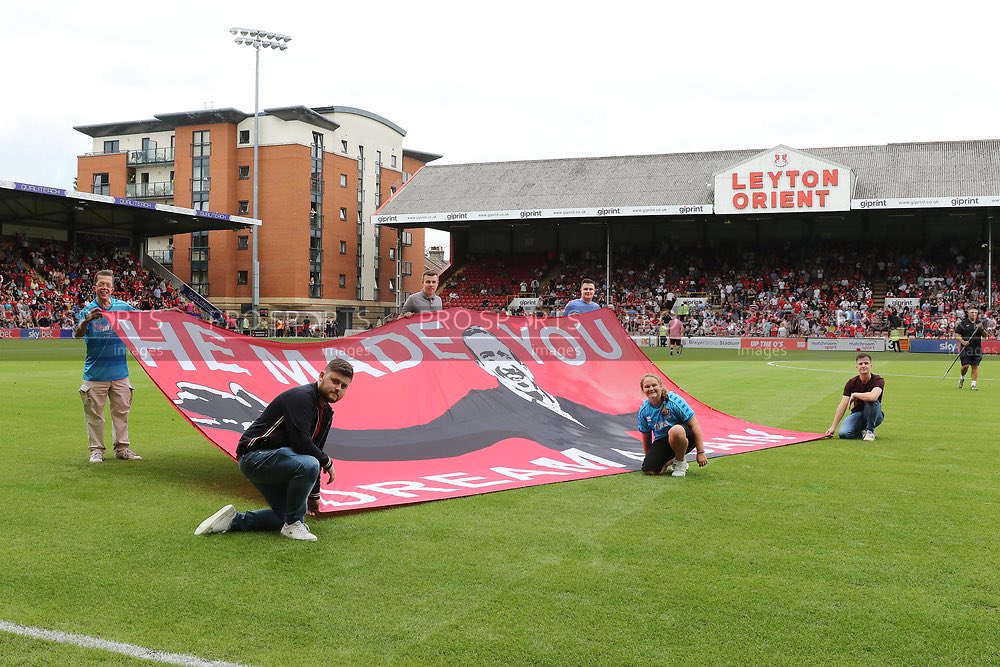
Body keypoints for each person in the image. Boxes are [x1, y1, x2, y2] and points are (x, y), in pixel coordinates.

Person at [194, 359, 354, 542]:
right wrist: (328, 462)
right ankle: (293, 525)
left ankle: (233, 520)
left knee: (284, 516)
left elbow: (315, 448)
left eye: (344, 386)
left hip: (279, 461)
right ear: (321, 376)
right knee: (310, 464)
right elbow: (301, 443)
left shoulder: (326, 413)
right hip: (255, 457)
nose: (338, 388)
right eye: (335, 381)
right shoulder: (302, 397)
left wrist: (314, 494)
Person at [74, 270, 142, 464]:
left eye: (108, 285)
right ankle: (96, 451)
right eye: (101, 284)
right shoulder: (87, 310)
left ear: (112, 288)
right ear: (95, 287)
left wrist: (170, 314)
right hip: (95, 374)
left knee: (121, 413)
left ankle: (122, 448)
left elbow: (145, 318)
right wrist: (87, 320)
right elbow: (77, 335)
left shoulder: (122, 307)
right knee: (94, 415)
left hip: (120, 373)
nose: (105, 287)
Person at [636, 373, 707, 477]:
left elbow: (695, 424)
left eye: (654, 385)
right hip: (664, 441)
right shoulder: (644, 410)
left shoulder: (674, 400)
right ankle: (671, 459)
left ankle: (680, 462)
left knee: (675, 430)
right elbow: (646, 436)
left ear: (660, 386)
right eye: (647, 387)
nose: (651, 388)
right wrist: (649, 457)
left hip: (684, 436)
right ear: (643, 390)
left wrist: (700, 452)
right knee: (649, 470)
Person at [825, 353, 885, 441]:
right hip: (858, 414)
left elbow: (873, 397)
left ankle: (870, 431)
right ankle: (863, 432)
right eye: (860, 364)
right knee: (844, 433)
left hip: (875, 415)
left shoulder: (878, 380)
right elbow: (843, 404)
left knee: (870, 400)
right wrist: (833, 427)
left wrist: (855, 394)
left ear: (871, 365)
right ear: (856, 367)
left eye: (866, 363)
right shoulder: (851, 382)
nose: (863, 366)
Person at [955, 306, 984, 390]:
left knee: (975, 366)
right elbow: (957, 334)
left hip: (977, 348)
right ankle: (962, 377)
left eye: (975, 312)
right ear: (968, 313)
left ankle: (973, 385)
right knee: (965, 366)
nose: (974, 314)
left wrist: (982, 329)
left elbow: (985, 336)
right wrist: (963, 342)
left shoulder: (979, 323)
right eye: (972, 312)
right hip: (966, 349)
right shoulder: (963, 323)